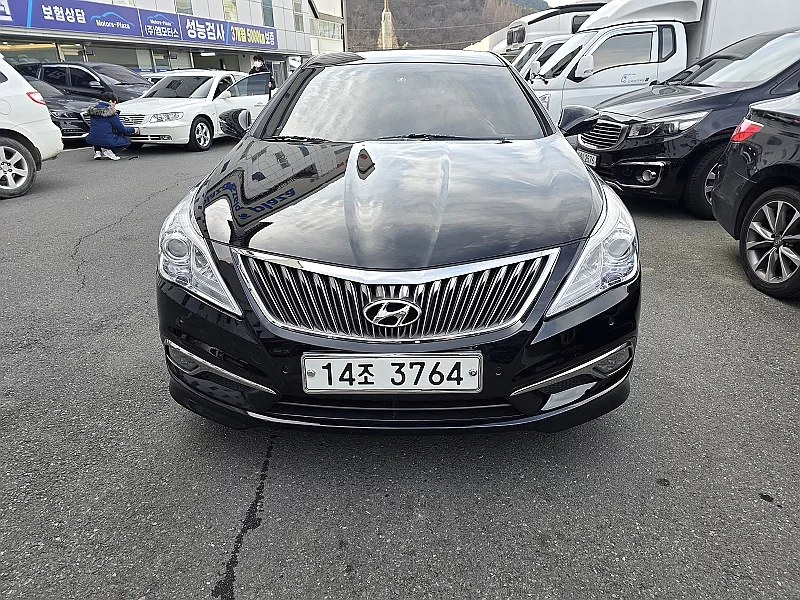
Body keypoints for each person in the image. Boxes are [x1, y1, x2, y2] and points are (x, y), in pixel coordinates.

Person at [85, 92, 139, 161]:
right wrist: (134, 129)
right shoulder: (111, 113)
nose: (114, 106)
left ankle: (97, 152)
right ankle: (111, 152)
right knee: (127, 140)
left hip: (91, 139)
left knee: (98, 132)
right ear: (110, 101)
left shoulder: (93, 111)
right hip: (106, 140)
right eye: (114, 103)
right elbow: (122, 130)